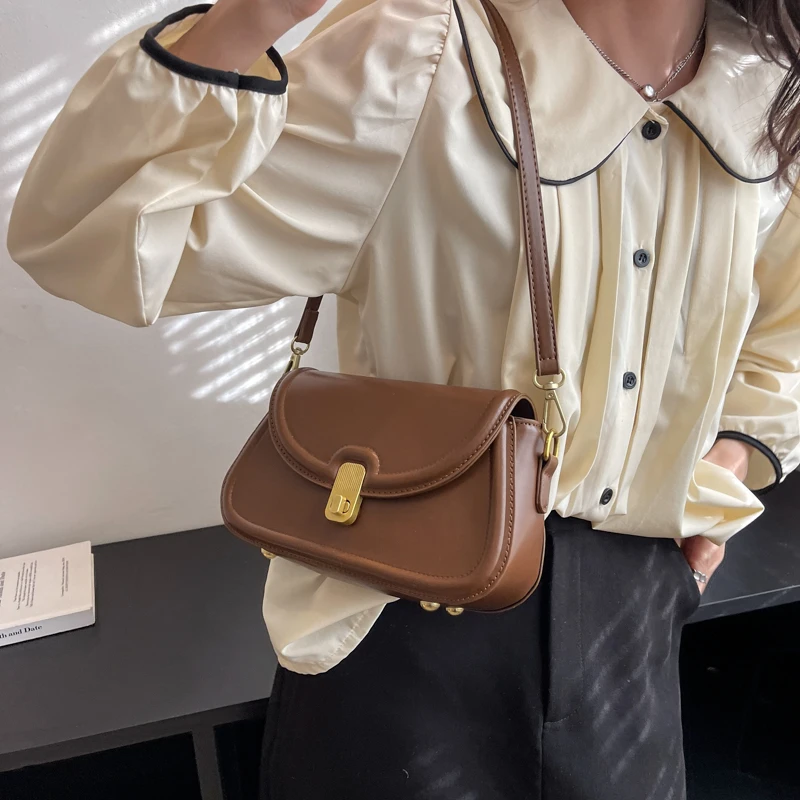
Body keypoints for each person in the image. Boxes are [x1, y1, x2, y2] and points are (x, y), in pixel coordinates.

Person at [7, 0, 800, 796]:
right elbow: (87, 235)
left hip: (636, 620)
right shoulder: (420, 50)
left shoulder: (765, 88)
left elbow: (784, 329)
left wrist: (726, 467)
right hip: (410, 609)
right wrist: (252, 17)